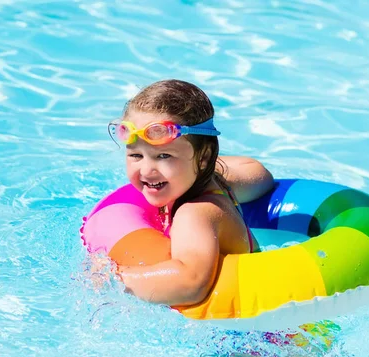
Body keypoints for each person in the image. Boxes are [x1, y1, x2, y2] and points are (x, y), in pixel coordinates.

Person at [104, 79, 273, 306]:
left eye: (164, 156)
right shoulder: (219, 182)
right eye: (136, 156)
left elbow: (190, 283)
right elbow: (258, 174)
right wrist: (190, 164)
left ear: (203, 158)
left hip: (247, 335)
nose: (146, 170)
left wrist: (115, 277)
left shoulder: (195, 214)